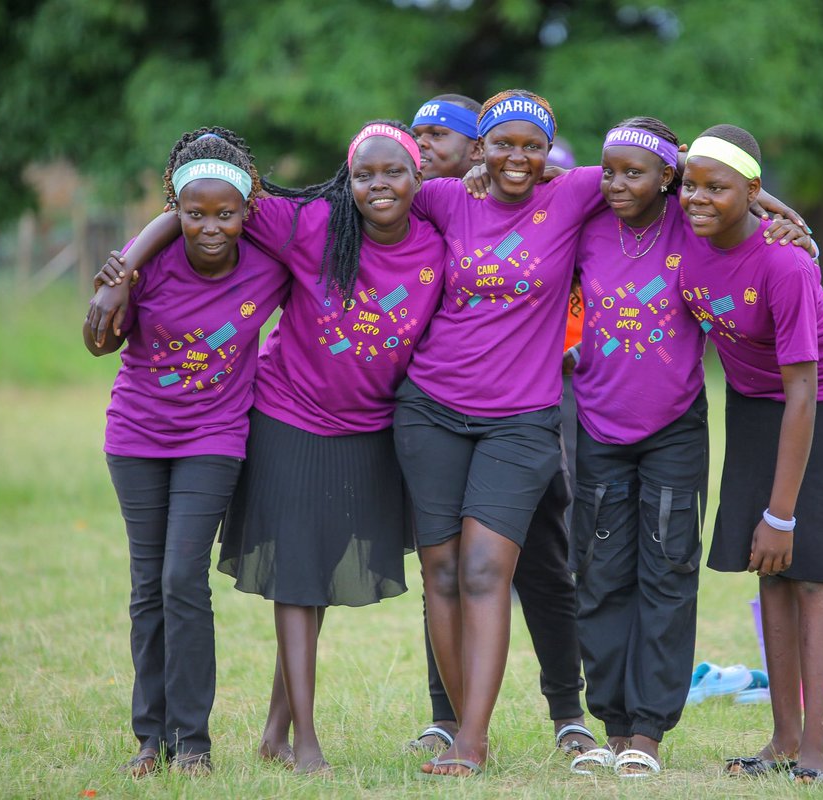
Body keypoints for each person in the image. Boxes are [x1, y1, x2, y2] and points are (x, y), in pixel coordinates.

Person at [91, 121, 448, 774]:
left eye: (393, 171)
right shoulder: (304, 230)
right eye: (364, 173)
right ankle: (160, 739)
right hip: (248, 423)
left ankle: (225, 739)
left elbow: (223, 206)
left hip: (313, 430)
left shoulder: (428, 239)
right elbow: (198, 207)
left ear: (418, 176)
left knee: (242, 579)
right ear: (347, 176)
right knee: (160, 584)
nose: (378, 184)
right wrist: (126, 268)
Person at [566, 118, 813, 778]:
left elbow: (734, 193)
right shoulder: (587, 217)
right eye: (609, 171)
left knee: (667, 574)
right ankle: (613, 723)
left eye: (635, 173)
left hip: (673, 428)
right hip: (596, 426)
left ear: (669, 176)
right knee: (599, 575)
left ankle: (649, 731)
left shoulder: (691, 218)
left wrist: (788, 221)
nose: (619, 184)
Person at [393, 89, 612, 777]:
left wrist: (773, 210)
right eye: (503, 144)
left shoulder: (573, 195)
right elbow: (363, 191)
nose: (517, 157)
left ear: (549, 151)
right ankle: (455, 722)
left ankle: (473, 742)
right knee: (442, 570)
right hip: (430, 409)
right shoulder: (443, 200)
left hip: (522, 420)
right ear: (481, 148)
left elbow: (668, 164)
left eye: (532, 145)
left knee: (488, 568)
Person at [82, 127, 289, 778]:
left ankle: (192, 742)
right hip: (137, 435)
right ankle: (150, 739)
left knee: (181, 578)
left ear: (244, 213)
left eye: (223, 214)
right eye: (193, 214)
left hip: (214, 435)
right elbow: (98, 347)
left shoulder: (268, 262)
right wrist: (113, 287)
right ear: (174, 210)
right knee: (148, 588)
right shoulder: (144, 266)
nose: (208, 228)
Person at [678, 124, 823, 786]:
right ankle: (782, 737)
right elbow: (658, 163)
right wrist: (724, 181)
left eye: (718, 188)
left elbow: (804, 390)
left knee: (811, 564)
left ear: (753, 193)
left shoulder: (783, 263)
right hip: (753, 396)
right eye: (691, 185)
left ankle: (816, 749)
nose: (699, 198)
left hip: (820, 392)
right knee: (770, 567)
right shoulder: (689, 231)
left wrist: (784, 513)